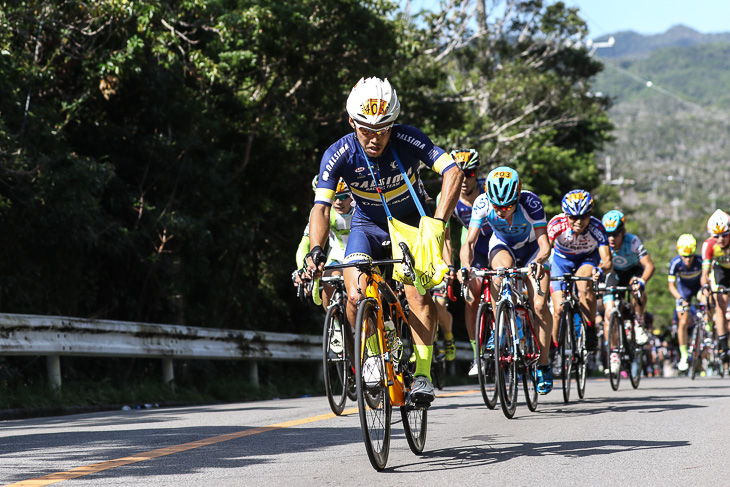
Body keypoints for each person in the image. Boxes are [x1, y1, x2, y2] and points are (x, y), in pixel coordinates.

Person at [306, 77, 463, 404]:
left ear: (394, 123)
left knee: (418, 297)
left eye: (383, 129)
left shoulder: (408, 138)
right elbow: (320, 207)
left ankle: (422, 374)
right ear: (352, 122)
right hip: (368, 225)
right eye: (365, 130)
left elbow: (453, 172)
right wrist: (316, 251)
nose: (374, 139)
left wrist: (438, 223)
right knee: (354, 293)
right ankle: (372, 356)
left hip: (412, 224)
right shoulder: (339, 154)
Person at [460, 166, 553, 394]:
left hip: (532, 250)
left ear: (517, 197)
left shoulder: (531, 203)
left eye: (507, 206)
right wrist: (466, 267)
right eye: (497, 206)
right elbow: (470, 243)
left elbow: (544, 245)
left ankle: (543, 363)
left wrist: (539, 262)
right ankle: (499, 328)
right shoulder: (482, 203)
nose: (501, 211)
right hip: (503, 246)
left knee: (540, 305)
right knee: (500, 273)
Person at [437, 148, 493, 373]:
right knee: (470, 297)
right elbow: (446, 238)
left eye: (468, 174)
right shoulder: (445, 196)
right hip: (473, 246)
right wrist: (450, 267)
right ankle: (478, 355)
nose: (463, 180)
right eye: (458, 174)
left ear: (476, 172)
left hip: (499, 242)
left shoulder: (489, 191)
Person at [547, 190, 612, 355]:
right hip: (561, 261)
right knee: (558, 309)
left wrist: (600, 269)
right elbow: (544, 250)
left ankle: (590, 328)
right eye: (573, 217)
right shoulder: (556, 224)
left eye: (583, 216)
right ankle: (554, 349)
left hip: (587, 259)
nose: (578, 222)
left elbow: (608, 261)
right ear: (566, 215)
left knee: (584, 286)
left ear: (590, 214)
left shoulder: (597, 227)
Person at [601, 210, 656, 374]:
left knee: (636, 287)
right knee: (609, 313)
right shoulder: (603, 244)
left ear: (623, 232)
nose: (611, 238)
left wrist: (642, 281)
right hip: (614, 275)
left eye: (615, 234)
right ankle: (614, 355)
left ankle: (639, 322)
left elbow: (649, 266)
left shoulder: (632, 241)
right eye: (608, 234)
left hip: (633, 272)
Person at [294, 176, 354, 309]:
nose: (338, 202)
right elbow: (304, 244)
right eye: (333, 197)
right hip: (338, 256)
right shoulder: (321, 212)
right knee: (328, 282)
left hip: (362, 254)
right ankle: (336, 325)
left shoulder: (361, 209)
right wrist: (301, 269)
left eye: (343, 197)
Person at [668, 233, 703, 372]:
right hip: (683, 292)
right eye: (684, 256)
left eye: (690, 256)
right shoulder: (675, 263)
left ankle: (707, 326)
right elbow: (671, 286)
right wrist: (680, 298)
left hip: (698, 288)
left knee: (707, 300)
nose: (687, 260)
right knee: (683, 321)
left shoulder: (700, 261)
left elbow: (707, 279)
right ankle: (684, 354)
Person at [700, 209, 730, 366]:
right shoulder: (708, 245)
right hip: (721, 271)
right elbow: (705, 271)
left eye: (724, 235)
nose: (720, 239)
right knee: (721, 303)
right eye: (716, 236)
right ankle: (724, 346)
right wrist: (705, 284)